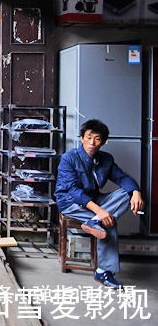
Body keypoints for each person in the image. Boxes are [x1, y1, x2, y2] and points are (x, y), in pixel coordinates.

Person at [54, 119, 144, 289]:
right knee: (108, 220)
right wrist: (100, 212)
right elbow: (74, 191)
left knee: (127, 192)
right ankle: (104, 271)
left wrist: (136, 192)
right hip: (70, 202)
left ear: (102, 141)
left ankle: (94, 221)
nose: (92, 143)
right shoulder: (69, 158)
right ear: (81, 138)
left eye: (97, 139)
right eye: (88, 138)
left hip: (94, 199)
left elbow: (122, 178)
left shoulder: (106, 159)